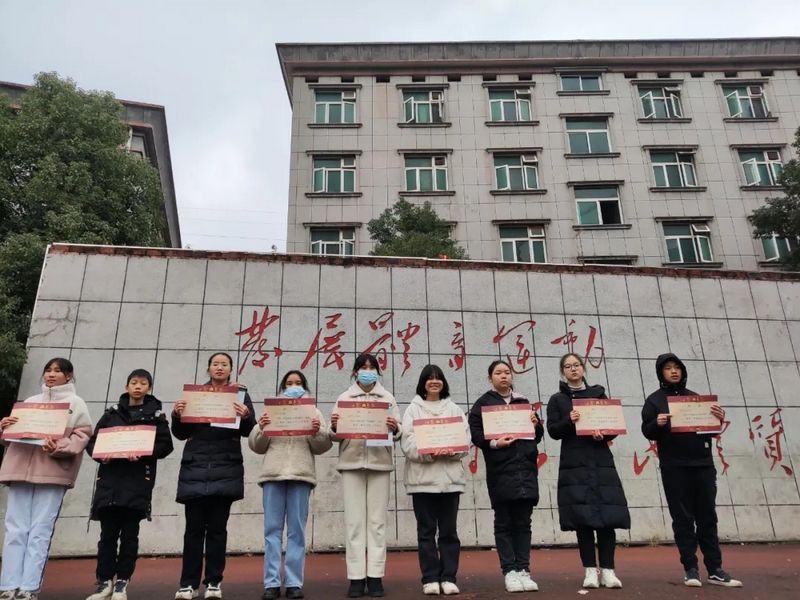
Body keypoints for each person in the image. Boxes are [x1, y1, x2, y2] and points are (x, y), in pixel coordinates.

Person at [641, 353, 742, 588]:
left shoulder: (696, 399)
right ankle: (691, 569)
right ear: (661, 373)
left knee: (708, 517)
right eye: (668, 368)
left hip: (702, 464)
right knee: (682, 519)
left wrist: (718, 420)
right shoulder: (654, 401)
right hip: (674, 466)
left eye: (677, 367)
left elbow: (709, 431)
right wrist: (657, 423)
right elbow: (647, 430)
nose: (674, 371)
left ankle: (715, 570)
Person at [0, 358, 93, 600]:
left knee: (40, 529)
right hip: (19, 469)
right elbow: (11, 438)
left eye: (57, 371)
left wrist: (58, 446)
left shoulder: (76, 403)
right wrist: (5, 427)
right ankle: (8, 585)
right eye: (48, 370)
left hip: (53, 473)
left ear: (69, 375)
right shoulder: (30, 401)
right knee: (15, 529)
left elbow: (82, 437)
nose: (51, 375)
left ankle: (29, 588)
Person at [171, 353, 257, 600]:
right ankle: (188, 584)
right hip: (195, 467)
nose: (219, 368)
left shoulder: (239, 395)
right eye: (215, 364)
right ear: (208, 369)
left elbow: (250, 432)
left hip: (225, 468)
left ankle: (213, 582)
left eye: (224, 364)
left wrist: (246, 415)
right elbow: (180, 433)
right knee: (193, 530)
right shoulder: (195, 395)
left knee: (218, 531)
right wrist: (177, 415)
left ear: (231, 369)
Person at [84, 369, 174, 600]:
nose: (137, 387)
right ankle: (104, 582)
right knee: (107, 537)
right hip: (110, 482)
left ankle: (122, 583)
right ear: (126, 387)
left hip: (137, 482)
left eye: (143, 383)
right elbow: (93, 442)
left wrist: (143, 453)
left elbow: (166, 445)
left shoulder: (156, 416)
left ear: (149, 389)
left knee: (130, 537)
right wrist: (102, 456)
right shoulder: (111, 413)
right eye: (133, 382)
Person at [546, 353, 629, 590]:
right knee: (582, 518)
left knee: (607, 516)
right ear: (563, 372)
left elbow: (612, 426)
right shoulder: (557, 400)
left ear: (583, 368)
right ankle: (590, 570)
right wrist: (569, 421)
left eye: (577, 365)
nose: (573, 369)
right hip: (574, 464)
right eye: (568, 366)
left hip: (601, 460)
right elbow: (553, 431)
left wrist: (603, 434)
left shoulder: (599, 395)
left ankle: (609, 570)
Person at [249, 370, 332, 600]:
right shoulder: (271, 410)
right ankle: (272, 583)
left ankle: (294, 582)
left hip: (301, 475)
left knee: (297, 531)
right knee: (271, 531)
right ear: (282, 387)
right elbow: (256, 445)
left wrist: (316, 431)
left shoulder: (313, 412)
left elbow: (323, 445)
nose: (293, 387)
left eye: (298, 383)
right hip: (273, 475)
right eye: (289, 383)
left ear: (305, 387)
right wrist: (262, 427)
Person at [468, 360, 543, 594]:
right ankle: (509, 571)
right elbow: (476, 434)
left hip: (525, 470)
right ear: (489, 378)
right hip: (501, 470)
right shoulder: (483, 404)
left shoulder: (523, 402)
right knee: (503, 522)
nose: (503, 376)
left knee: (523, 523)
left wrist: (536, 424)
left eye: (507, 372)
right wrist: (495, 443)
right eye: (498, 373)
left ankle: (523, 569)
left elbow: (537, 435)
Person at [329, 354, 401, 598]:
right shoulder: (344, 398)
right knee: (354, 523)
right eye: (363, 367)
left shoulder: (387, 398)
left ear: (377, 372)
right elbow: (332, 433)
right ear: (355, 372)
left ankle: (376, 576)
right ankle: (356, 577)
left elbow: (399, 431)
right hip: (351, 464)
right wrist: (335, 426)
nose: (367, 371)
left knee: (377, 523)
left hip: (380, 464)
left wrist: (394, 428)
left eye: (372, 367)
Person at [400, 364, 469, 596]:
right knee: (426, 532)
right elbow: (408, 443)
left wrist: (453, 451)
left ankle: (449, 577)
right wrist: (429, 453)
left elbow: (465, 440)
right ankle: (430, 578)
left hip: (450, 481)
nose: (434, 382)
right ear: (423, 383)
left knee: (449, 532)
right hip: (422, 482)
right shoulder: (413, 410)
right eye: (429, 378)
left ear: (444, 383)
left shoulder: (454, 409)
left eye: (438, 378)